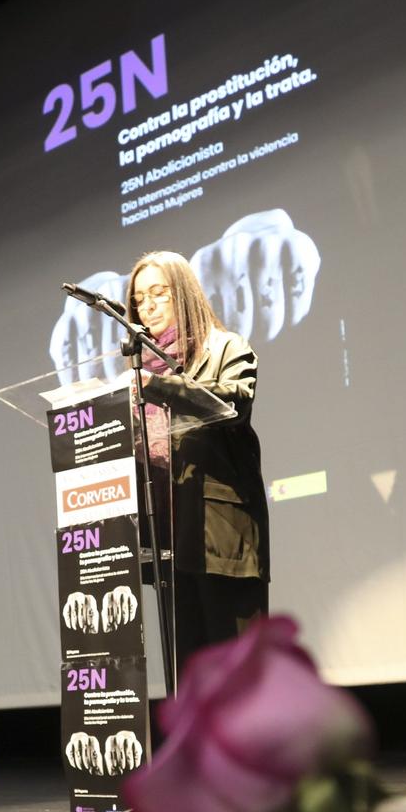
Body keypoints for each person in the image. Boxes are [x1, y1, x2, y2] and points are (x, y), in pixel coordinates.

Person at [125, 249, 271, 670]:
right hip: (168, 541)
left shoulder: (225, 347)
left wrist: (164, 387)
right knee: (190, 678)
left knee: (240, 677)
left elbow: (235, 403)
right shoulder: (139, 371)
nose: (147, 306)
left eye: (158, 293)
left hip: (220, 539)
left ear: (183, 294)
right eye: (139, 299)